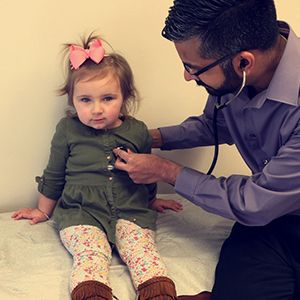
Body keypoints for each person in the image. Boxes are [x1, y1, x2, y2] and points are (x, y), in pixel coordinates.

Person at [113, 0, 300, 299]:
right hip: (269, 225)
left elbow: (254, 202)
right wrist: (147, 137)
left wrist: (166, 171)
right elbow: (214, 125)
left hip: (266, 209)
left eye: (193, 68)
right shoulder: (236, 80)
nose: (187, 77)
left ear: (243, 62)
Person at [11, 34, 184, 300]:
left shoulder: (138, 131)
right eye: (86, 100)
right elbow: (54, 174)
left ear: (125, 96)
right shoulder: (67, 130)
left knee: (143, 253)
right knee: (90, 255)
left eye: (107, 98)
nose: (96, 110)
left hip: (131, 210)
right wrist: (43, 211)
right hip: (81, 213)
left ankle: (158, 294)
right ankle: (92, 294)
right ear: (72, 100)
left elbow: (147, 174)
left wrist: (152, 200)